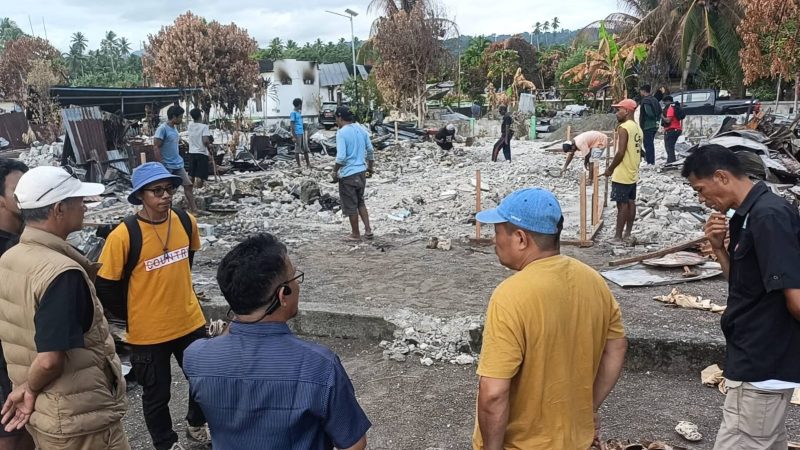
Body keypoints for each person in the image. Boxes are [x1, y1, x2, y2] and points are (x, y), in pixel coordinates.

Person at [184, 233, 371, 449]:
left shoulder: (195, 356)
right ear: (283, 294)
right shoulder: (319, 365)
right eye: (294, 278)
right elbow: (353, 443)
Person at [472, 188, 627, 450]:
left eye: (497, 232)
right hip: (576, 440)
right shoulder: (593, 281)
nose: (493, 241)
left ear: (520, 238)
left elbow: (493, 393)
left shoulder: (510, 296)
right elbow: (617, 346)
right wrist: (587, 407)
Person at [0, 166, 129, 449]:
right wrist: (30, 388)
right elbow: (50, 359)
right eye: (79, 201)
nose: (84, 207)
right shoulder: (62, 273)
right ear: (58, 209)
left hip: (48, 413)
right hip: (79, 418)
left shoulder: (12, 257)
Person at [681, 145, 800, 450]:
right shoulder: (745, 216)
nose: (701, 199)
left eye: (700, 189)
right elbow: (745, 285)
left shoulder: (769, 216)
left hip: (762, 365)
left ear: (721, 176)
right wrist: (719, 248)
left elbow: (795, 296)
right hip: (752, 358)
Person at [95, 162, 209, 450]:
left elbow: (187, 261)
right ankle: (165, 443)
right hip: (148, 332)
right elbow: (106, 285)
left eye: (169, 189)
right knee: (157, 395)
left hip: (190, 321)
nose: (165, 196)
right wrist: (133, 313)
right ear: (140, 196)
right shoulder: (123, 235)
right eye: (156, 191)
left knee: (205, 381)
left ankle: (196, 425)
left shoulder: (185, 221)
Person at [0, 159, 34, 450]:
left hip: (28, 361)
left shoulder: (26, 242)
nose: (27, 196)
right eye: (17, 190)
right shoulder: (7, 251)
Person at [604, 99, 643, 242]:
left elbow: (620, 152)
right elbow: (639, 151)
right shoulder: (637, 128)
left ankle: (618, 236)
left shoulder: (624, 128)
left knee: (622, 205)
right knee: (631, 202)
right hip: (633, 171)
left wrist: (610, 169)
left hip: (622, 172)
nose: (616, 113)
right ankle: (627, 233)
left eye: (618, 110)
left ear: (627, 111)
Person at [333, 106, 374, 241]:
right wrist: (370, 168)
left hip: (348, 174)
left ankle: (355, 234)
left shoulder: (341, 133)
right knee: (360, 202)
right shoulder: (361, 129)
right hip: (361, 172)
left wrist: (335, 171)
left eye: (336, 118)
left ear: (339, 117)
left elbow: (341, 157)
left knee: (351, 205)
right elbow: (370, 150)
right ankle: (368, 230)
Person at [154, 105, 198, 214]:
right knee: (168, 190)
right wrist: (161, 164)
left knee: (188, 185)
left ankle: (195, 210)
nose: (181, 119)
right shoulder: (162, 129)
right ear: (174, 117)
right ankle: (167, 213)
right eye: (180, 117)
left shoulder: (174, 129)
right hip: (167, 165)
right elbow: (156, 146)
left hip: (178, 164)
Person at [186, 108, 212, 189]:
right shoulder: (204, 127)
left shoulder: (189, 126)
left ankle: (190, 191)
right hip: (201, 153)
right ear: (200, 116)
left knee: (191, 174)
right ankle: (198, 191)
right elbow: (205, 141)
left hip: (192, 152)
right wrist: (209, 147)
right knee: (200, 175)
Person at [638, 84, 661, 165]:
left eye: (640, 91)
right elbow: (659, 112)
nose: (640, 93)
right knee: (650, 143)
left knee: (648, 144)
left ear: (643, 91)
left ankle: (650, 162)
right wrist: (657, 122)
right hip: (654, 126)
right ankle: (651, 161)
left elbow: (649, 113)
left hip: (647, 126)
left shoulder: (646, 101)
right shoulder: (655, 99)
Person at [661, 95, 683, 164]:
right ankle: (671, 161)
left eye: (664, 103)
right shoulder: (675, 107)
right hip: (676, 129)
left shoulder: (670, 108)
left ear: (668, 101)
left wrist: (661, 115)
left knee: (669, 147)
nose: (664, 104)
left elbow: (668, 120)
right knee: (670, 146)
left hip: (672, 130)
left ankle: (671, 162)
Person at [291, 98, 310, 168]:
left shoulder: (299, 113)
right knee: (297, 149)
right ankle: (299, 165)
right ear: (299, 105)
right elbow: (292, 125)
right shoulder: (293, 113)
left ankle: (308, 164)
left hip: (302, 132)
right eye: (301, 104)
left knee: (305, 148)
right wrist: (293, 136)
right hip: (297, 133)